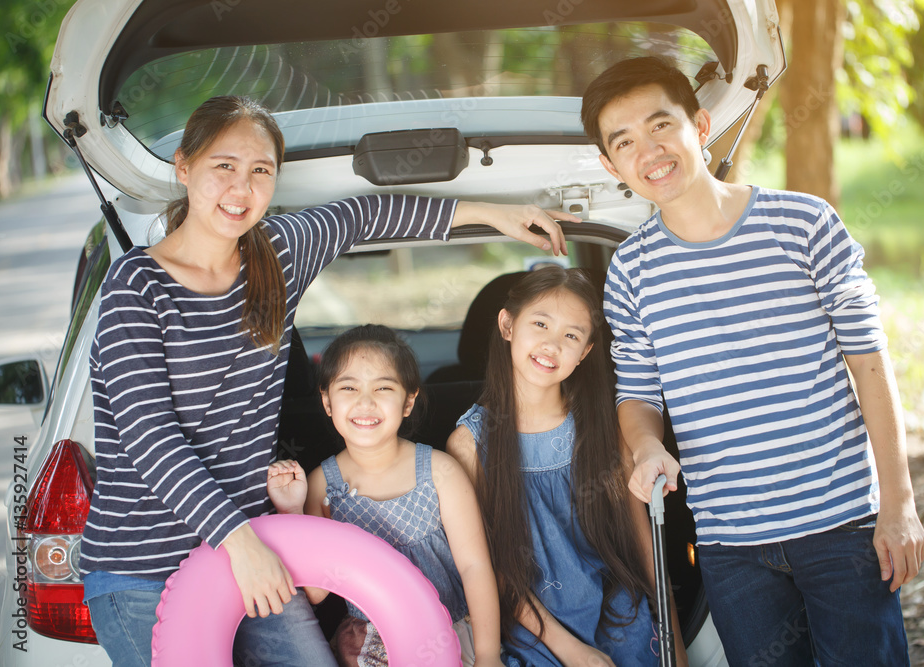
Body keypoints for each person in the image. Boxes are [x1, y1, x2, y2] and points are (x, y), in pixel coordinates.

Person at [81, 94, 576, 667]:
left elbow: (364, 216)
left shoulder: (279, 257)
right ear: (184, 167)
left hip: (252, 549)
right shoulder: (135, 284)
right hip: (144, 567)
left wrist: (494, 214)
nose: (241, 189)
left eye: (260, 171)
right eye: (224, 167)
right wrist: (238, 540)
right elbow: (149, 436)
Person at [580, 56, 924, 665]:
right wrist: (646, 447)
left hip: (841, 524)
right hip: (731, 547)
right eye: (626, 141)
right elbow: (637, 393)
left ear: (700, 123)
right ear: (611, 165)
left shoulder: (806, 223)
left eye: (662, 126)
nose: (650, 151)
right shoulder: (630, 271)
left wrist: (898, 507)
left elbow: (871, 364)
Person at [447, 266, 687, 667]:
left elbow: (646, 550)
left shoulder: (603, 428)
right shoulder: (469, 444)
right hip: (529, 628)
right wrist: (572, 651)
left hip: (619, 615)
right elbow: (487, 569)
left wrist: (675, 651)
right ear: (507, 325)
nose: (552, 345)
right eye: (540, 324)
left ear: (587, 352)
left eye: (571, 336)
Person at [266, 324, 502, 666]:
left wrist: (488, 654)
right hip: (370, 646)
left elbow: (475, 567)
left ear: (408, 401)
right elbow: (317, 593)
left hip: (450, 631)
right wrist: (291, 511)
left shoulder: (440, 471)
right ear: (327, 401)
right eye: (349, 387)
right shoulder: (322, 484)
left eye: (383, 387)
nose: (366, 402)